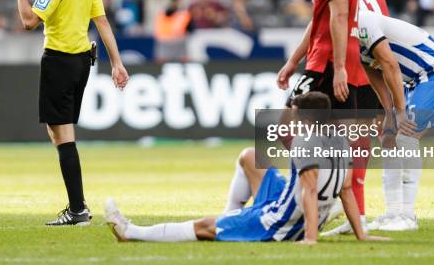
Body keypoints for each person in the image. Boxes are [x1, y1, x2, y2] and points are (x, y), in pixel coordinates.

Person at [105, 92, 389, 244]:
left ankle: (131, 232)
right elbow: (348, 190)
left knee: (207, 226)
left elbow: (310, 192)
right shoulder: (341, 141)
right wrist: (361, 234)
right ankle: (232, 216)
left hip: (280, 222)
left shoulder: (305, 141)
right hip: (290, 202)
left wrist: (310, 238)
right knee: (251, 157)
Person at [14, 0, 129, 226]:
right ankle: (77, 207)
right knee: (59, 131)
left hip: (59, 61)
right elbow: (102, 22)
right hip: (81, 62)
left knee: (62, 134)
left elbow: (28, 21)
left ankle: (78, 209)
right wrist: (117, 62)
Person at [356, 5, 434, 231]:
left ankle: (407, 216)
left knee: (406, 137)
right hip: (412, 80)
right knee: (388, 138)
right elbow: (374, 73)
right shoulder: (340, 29)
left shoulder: (361, 20)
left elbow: (390, 64)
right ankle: (393, 213)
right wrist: (389, 111)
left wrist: (400, 111)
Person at [322, 0, 391, 236]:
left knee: (347, 143)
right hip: (372, 70)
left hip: (350, 71)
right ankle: (382, 211)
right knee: (363, 143)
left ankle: (354, 213)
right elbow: (383, 28)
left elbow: (328, 29)